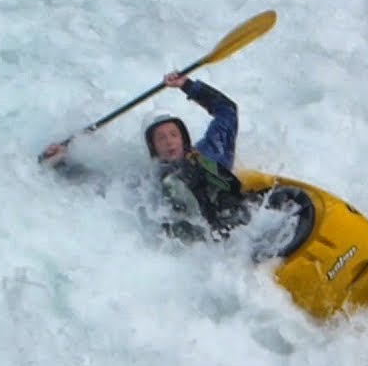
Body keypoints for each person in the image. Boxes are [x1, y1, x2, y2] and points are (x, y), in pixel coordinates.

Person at [41, 72, 253, 240]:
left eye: (173, 135)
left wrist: (188, 85)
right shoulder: (147, 182)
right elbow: (98, 182)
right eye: (161, 138)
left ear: (183, 138)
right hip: (200, 236)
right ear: (153, 149)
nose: (169, 141)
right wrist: (60, 162)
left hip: (234, 218)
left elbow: (227, 111)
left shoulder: (211, 150)